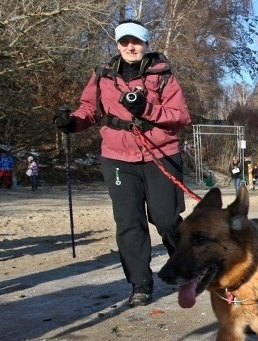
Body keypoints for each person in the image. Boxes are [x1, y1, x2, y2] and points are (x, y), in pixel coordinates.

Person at [53, 19, 191, 307]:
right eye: (125, 42)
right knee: (129, 223)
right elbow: (89, 109)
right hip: (117, 157)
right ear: (117, 44)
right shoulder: (103, 75)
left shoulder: (163, 74)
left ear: (146, 44)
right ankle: (140, 284)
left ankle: (188, 269)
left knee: (166, 220)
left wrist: (146, 108)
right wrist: (71, 122)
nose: (131, 47)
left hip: (160, 153)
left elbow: (180, 117)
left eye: (136, 41)